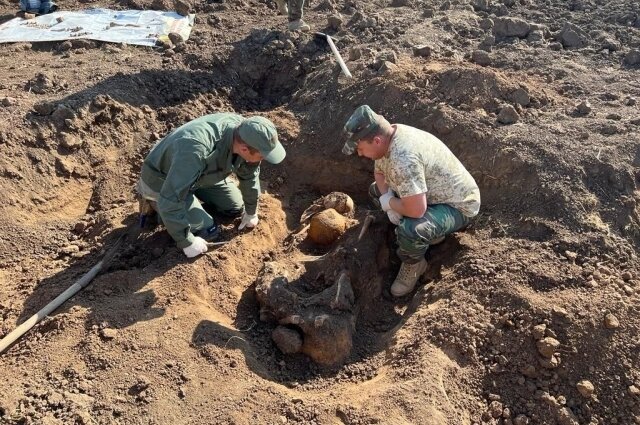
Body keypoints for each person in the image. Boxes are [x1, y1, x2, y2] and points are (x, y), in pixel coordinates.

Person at [342, 105, 480, 297]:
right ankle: (430, 235)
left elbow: (416, 211)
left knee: (411, 229)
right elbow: (379, 172)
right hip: (429, 194)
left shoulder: (403, 158)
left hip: (458, 205)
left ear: (376, 140)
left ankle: (414, 264)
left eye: (361, 148)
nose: (359, 154)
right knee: (376, 191)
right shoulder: (389, 135)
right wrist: (386, 198)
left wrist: (391, 205)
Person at [137, 113, 286, 258]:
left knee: (235, 206)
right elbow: (170, 198)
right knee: (208, 230)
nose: (263, 160)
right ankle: (154, 205)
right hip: (163, 180)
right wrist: (187, 242)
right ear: (244, 149)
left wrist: (251, 210)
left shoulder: (247, 132)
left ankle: (190, 204)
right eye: (261, 156)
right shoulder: (196, 148)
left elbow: (250, 174)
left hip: (200, 175)